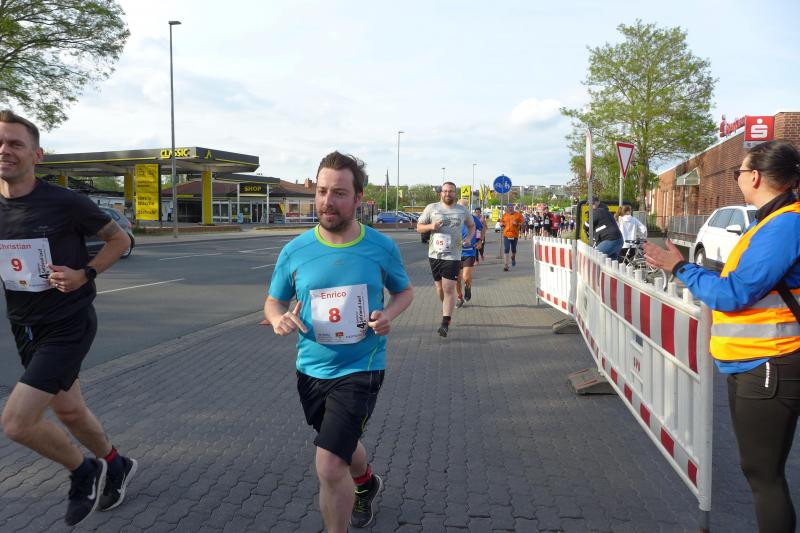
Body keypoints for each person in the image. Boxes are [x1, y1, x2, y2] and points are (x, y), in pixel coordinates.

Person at [644, 141, 800, 533]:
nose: (738, 179)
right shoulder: (772, 221)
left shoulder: (785, 225)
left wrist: (681, 268)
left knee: (764, 474)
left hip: (770, 361)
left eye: (738, 173)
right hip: (755, 361)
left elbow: (734, 294)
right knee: (760, 470)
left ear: (755, 177)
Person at [0, 111, 136, 527]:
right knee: (71, 411)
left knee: (17, 423)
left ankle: (83, 470)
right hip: (25, 325)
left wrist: (85, 273)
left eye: (15, 143)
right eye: (0, 144)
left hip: (68, 322)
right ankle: (116, 463)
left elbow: (119, 239)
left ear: (37, 154)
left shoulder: (64, 201)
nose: (5, 150)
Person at [265, 152, 413, 532]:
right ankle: (367, 482)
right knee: (339, 445)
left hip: (362, 368)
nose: (328, 201)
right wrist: (278, 318)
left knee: (330, 464)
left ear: (358, 198)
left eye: (339, 193)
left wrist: (388, 315)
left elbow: (404, 292)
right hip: (311, 370)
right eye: (322, 191)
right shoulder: (295, 250)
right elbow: (273, 301)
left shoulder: (380, 246)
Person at [417, 182, 474, 337]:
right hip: (434, 255)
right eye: (445, 191)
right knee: (440, 289)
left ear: (455, 193)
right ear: (441, 193)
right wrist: (431, 227)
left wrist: (469, 238)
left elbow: (471, 226)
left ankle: (445, 322)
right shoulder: (431, 208)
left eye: (451, 191)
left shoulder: (462, 210)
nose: (448, 194)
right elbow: (419, 227)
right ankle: (446, 309)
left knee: (448, 288)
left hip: (453, 255)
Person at [454, 200, 483, 307]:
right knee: (457, 279)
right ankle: (459, 297)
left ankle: (468, 287)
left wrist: (480, 241)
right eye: (459, 207)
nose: (462, 209)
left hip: (469, 252)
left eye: (464, 207)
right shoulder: (453, 218)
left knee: (465, 276)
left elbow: (481, 229)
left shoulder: (473, 218)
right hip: (455, 253)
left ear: (467, 208)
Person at [500, 204, 525, 271]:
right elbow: (502, 222)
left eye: (511, 207)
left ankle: (513, 257)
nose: (510, 208)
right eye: (509, 207)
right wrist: (501, 224)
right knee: (506, 248)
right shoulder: (504, 215)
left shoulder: (518, 215)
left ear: (513, 208)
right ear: (507, 208)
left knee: (513, 249)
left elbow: (523, 223)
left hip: (514, 235)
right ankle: (506, 265)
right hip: (506, 234)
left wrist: (517, 224)